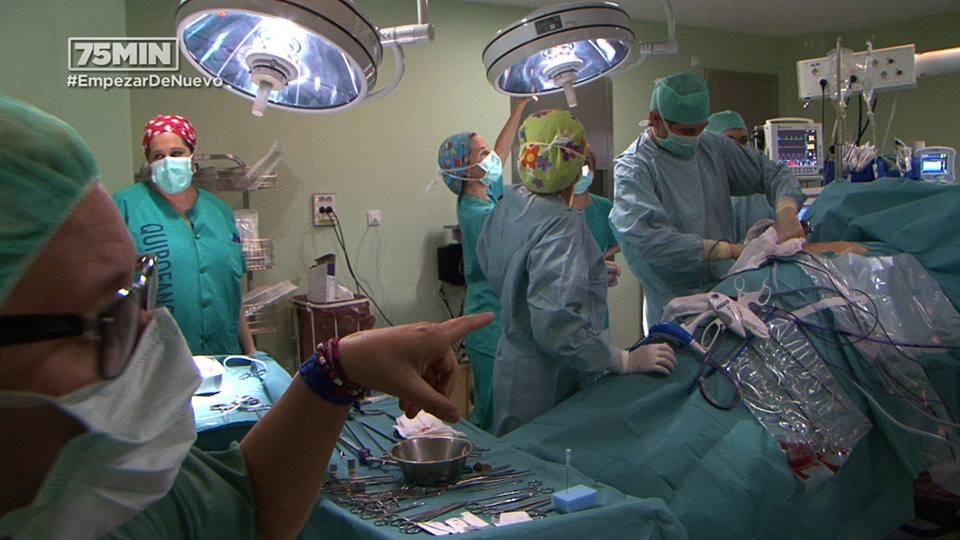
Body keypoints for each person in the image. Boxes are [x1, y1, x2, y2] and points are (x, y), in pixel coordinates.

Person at [0, 95, 493, 539]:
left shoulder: (97, 503)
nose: (153, 337)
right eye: (109, 316)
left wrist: (338, 367)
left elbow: (245, 503)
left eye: (139, 290)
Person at [477, 110, 676, 436]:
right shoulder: (561, 224)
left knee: (514, 445)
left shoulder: (510, 203)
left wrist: (584, 275)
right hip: (550, 380)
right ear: (575, 164)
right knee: (549, 459)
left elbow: (504, 268)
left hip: (514, 366)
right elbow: (556, 325)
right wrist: (622, 360)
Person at [610, 72, 806, 326]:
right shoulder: (635, 168)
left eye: (701, 129)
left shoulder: (712, 146)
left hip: (726, 291)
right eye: (687, 131)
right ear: (655, 119)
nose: (695, 137)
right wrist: (729, 250)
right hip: (674, 303)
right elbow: (648, 240)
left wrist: (786, 210)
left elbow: (772, 173)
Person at [113, 114, 255, 356]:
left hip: (225, 357)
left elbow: (232, 293)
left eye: (177, 153)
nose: (168, 162)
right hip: (158, 361)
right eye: (158, 156)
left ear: (192, 156)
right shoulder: (125, 207)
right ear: (149, 162)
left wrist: (251, 352)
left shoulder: (218, 211)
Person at [436, 98, 529, 431]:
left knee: (505, 404)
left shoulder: (484, 190)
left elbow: (501, 153)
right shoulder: (478, 213)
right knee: (492, 411)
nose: (491, 158)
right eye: (482, 154)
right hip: (489, 325)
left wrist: (518, 107)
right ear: (464, 170)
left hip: (501, 320)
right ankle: (482, 457)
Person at [706, 110, 776, 242]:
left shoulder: (761, 193)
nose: (737, 149)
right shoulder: (700, 191)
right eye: (728, 142)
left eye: (743, 141)